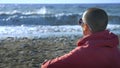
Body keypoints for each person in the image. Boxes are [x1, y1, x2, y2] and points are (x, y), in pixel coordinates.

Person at [41, 8, 120, 68]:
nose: (81, 25)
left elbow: (47, 66)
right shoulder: (115, 49)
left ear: (85, 27)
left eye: (81, 22)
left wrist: (45, 63)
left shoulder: (83, 52)